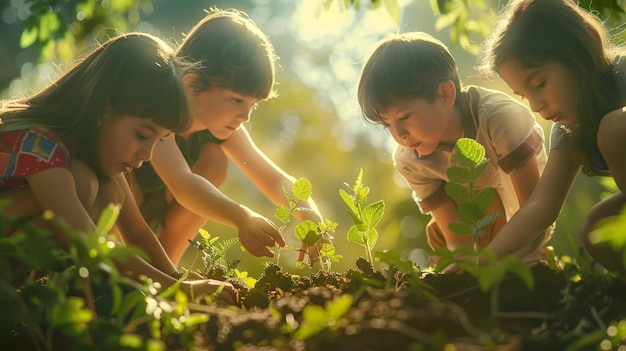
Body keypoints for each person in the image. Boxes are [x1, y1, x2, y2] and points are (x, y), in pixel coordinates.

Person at [0, 32, 235, 302]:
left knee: (109, 194)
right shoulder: (39, 144)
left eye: (158, 141)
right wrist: (177, 292)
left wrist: (178, 281)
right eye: (142, 135)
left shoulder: (91, 151)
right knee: (82, 184)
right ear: (104, 111)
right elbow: (86, 241)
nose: (147, 155)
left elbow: (135, 231)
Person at [130, 8, 325, 265]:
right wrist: (241, 217)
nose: (245, 115)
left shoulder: (220, 129)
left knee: (214, 160)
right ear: (192, 84)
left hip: (154, 216)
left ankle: (165, 266)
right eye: (236, 100)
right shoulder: (161, 112)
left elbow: (272, 177)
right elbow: (182, 184)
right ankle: (142, 271)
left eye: (252, 105)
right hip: (117, 210)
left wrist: (311, 217)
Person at [444, 0, 626, 276]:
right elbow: (541, 205)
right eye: (524, 95)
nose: (535, 106)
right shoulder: (570, 129)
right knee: (599, 227)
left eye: (539, 84)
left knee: (614, 130)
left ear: (580, 50)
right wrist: (478, 263)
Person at [357, 32, 550, 264]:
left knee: (484, 201)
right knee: (440, 242)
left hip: (527, 218)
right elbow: (456, 240)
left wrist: (503, 256)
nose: (399, 135)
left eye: (405, 116)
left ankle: (527, 260)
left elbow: (534, 209)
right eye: (386, 125)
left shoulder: (498, 119)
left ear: (445, 94)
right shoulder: (410, 160)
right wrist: (463, 264)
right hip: (475, 232)